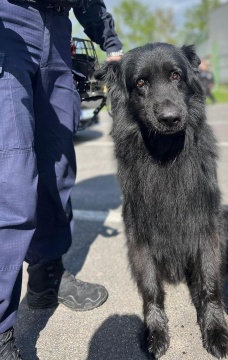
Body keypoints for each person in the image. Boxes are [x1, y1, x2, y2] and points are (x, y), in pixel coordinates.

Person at [0, 1, 123, 358]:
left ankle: (46, 276)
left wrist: (111, 42)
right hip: (7, 21)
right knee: (12, 178)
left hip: (57, 28)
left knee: (57, 169)